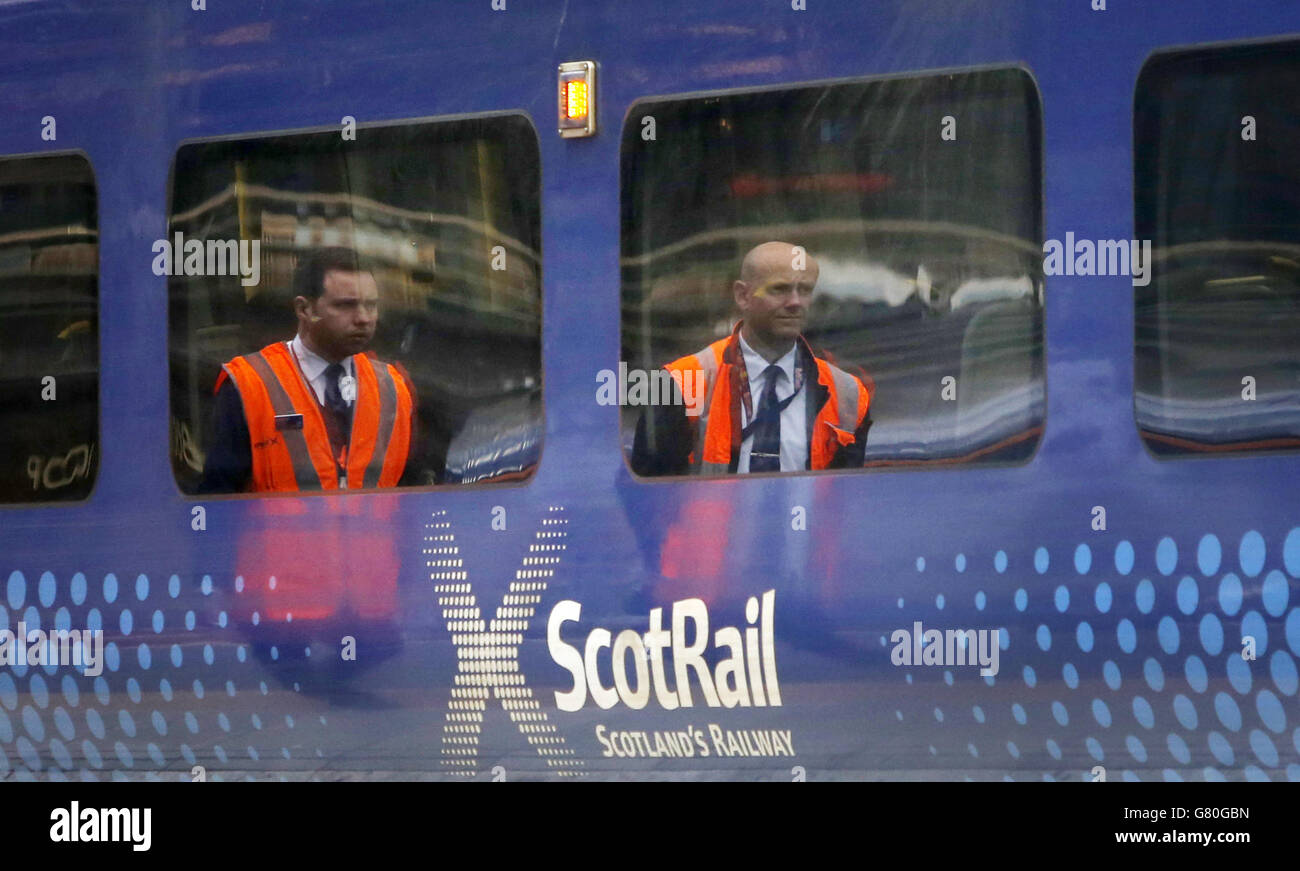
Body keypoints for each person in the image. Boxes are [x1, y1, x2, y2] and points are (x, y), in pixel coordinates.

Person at [631, 241, 871, 475]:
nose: (795, 302)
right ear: (742, 295)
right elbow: (648, 499)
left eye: (805, 290)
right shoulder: (681, 383)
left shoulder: (848, 394)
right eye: (779, 289)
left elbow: (845, 500)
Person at [199, 247, 419, 493]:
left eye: (371, 305)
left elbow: (412, 493)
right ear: (304, 310)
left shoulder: (393, 389)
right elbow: (218, 500)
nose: (364, 318)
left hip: (374, 532)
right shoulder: (249, 385)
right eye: (346, 305)